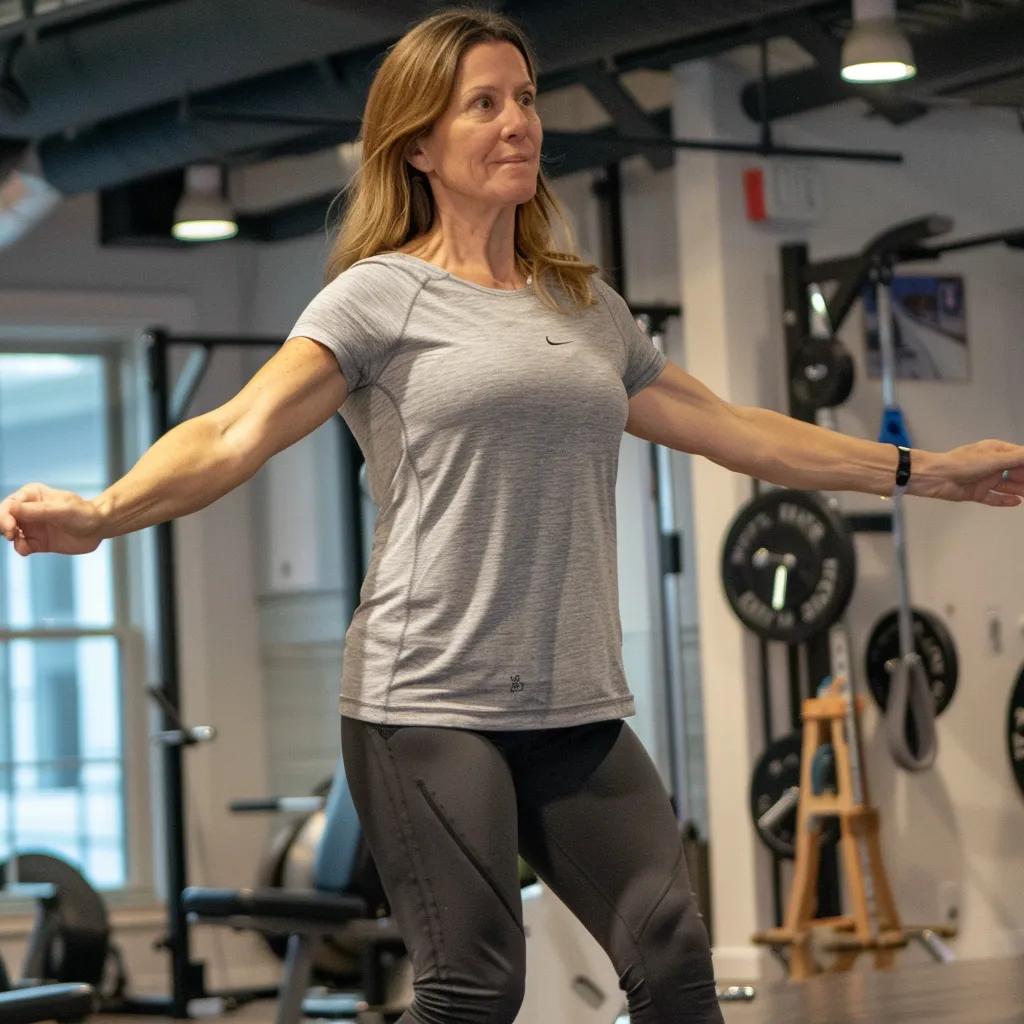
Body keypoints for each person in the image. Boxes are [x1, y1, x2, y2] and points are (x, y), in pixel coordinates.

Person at [2, 7, 1024, 1023]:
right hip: (427, 702)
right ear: (417, 146)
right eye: (482, 105)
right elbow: (233, 431)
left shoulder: (585, 308)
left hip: (573, 703)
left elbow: (737, 431)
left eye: (525, 99)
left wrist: (927, 470)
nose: (517, 122)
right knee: (475, 983)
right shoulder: (378, 299)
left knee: (672, 960)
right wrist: (104, 510)